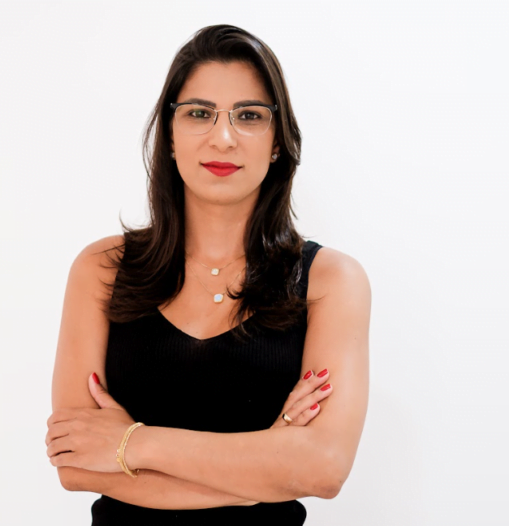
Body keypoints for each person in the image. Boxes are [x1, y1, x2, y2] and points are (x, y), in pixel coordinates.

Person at [45, 24, 371, 525]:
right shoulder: (102, 270)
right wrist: (268, 464)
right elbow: (76, 464)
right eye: (199, 113)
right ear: (170, 137)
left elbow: (323, 469)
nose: (223, 137)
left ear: (277, 142)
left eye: (249, 115)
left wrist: (132, 443)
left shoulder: (331, 281)